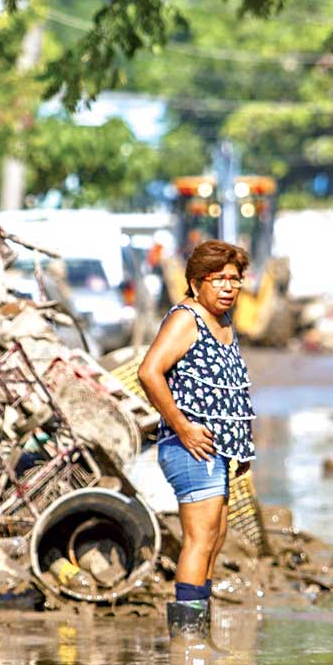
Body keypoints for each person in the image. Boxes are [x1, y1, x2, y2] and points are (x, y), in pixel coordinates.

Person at [138, 240, 256, 638]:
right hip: (190, 446)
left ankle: (197, 633)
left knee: (214, 538)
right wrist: (183, 426)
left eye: (235, 279)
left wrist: (242, 447)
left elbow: (228, 390)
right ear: (195, 282)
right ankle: (187, 644)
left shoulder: (223, 323)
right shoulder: (187, 318)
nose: (228, 287)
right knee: (199, 540)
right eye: (218, 279)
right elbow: (149, 372)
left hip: (218, 451)